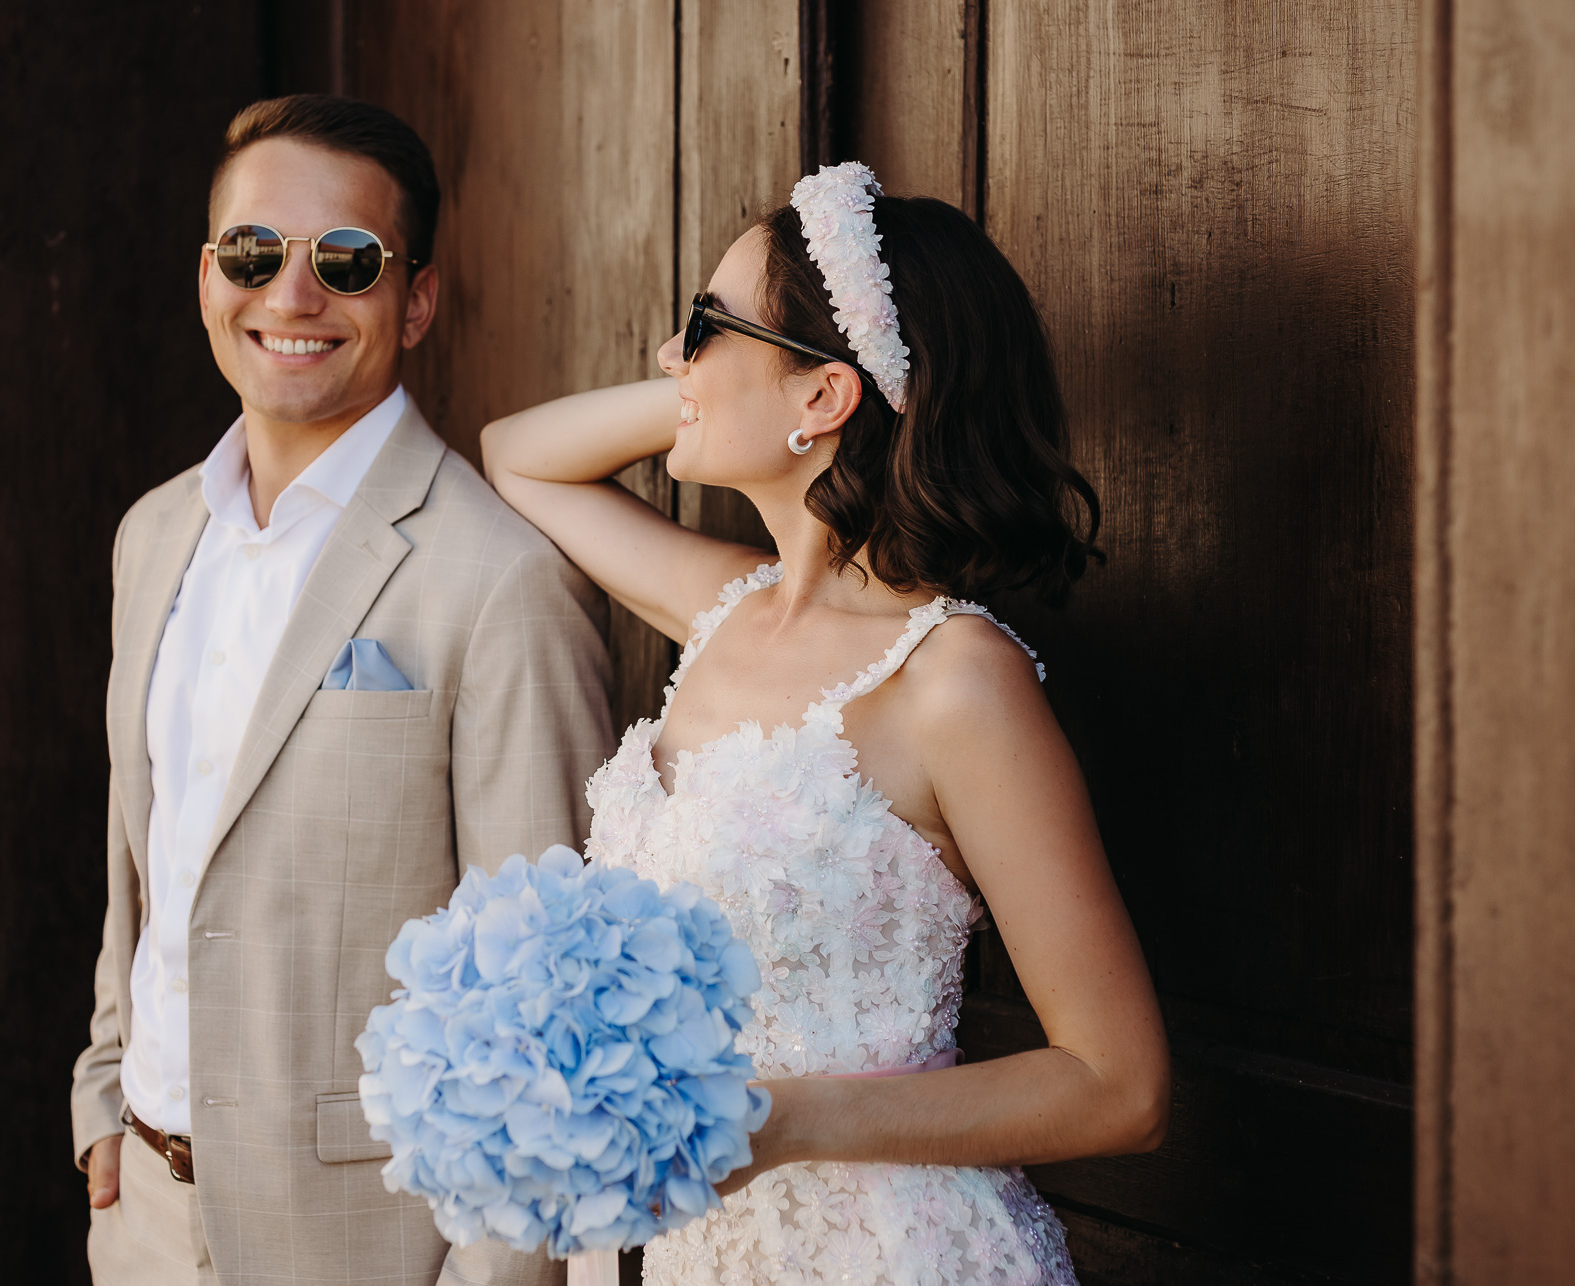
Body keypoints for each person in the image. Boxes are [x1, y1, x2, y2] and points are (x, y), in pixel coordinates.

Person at [482, 163, 1170, 1284]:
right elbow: (518, 453)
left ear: (824, 401)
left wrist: (782, 1123)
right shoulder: (722, 610)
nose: (669, 354)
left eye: (701, 324)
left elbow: (1119, 1083)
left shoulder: (957, 682)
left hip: (883, 1254)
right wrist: (730, 386)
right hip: (681, 1250)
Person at [71, 94, 612, 1286]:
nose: (292, 295)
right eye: (254, 253)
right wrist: (104, 1091)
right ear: (206, 274)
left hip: (373, 1243)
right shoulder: (152, 534)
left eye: (348, 261)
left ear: (415, 297)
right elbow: (148, 852)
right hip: (144, 1216)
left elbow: (545, 1005)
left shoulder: (503, 578)